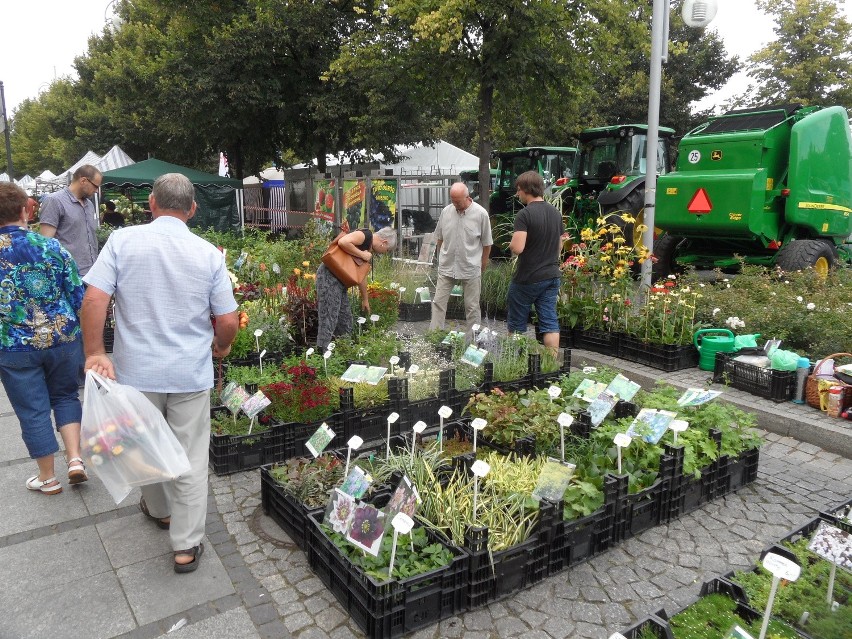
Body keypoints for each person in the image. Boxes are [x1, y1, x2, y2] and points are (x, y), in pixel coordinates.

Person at [81, 173, 239, 573]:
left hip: (137, 370)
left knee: (143, 442)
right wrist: (221, 345)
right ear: (193, 209)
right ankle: (185, 546)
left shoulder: (122, 241)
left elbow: (95, 297)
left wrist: (96, 351)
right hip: (189, 371)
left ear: (151, 203)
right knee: (190, 456)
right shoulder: (207, 253)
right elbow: (228, 319)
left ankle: (159, 509)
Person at [0, 183, 87, 495]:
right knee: (65, 396)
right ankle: (75, 459)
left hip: (14, 346)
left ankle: (48, 477)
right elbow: (79, 296)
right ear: (25, 210)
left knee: (32, 408)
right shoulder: (52, 247)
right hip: (63, 338)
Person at [508, 171, 564, 354]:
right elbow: (560, 245)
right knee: (549, 321)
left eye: (518, 190)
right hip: (551, 275)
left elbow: (518, 248)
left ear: (525, 189)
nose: (518, 194)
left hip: (528, 277)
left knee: (517, 324)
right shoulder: (555, 213)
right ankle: (551, 365)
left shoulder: (524, 214)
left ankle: (516, 360)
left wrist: (511, 243)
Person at [315, 226, 396, 350]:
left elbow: (361, 276)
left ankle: (344, 353)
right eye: (387, 250)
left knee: (345, 321)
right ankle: (321, 356)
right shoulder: (366, 236)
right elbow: (343, 242)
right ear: (384, 243)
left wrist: (365, 299)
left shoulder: (368, 249)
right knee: (328, 319)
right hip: (329, 276)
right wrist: (362, 255)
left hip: (340, 281)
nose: (385, 253)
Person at [429, 182, 492, 334]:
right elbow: (439, 237)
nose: (455, 204)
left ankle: (472, 341)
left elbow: (487, 243)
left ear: (468, 197)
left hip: (470, 266)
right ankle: (434, 336)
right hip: (447, 265)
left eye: (458, 201)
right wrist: (440, 257)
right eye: (453, 200)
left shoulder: (481, 214)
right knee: (438, 302)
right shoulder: (446, 212)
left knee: (472, 306)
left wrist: (482, 265)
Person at [38, 165, 102, 276]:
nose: (96, 191)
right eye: (95, 186)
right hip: (69, 275)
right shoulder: (54, 201)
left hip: (92, 273)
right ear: (83, 180)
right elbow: (46, 243)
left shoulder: (89, 205)